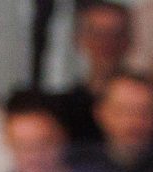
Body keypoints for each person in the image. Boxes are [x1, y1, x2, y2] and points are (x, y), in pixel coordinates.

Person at [50, 0, 139, 146]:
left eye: (115, 34)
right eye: (97, 33)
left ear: (129, 40)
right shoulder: (63, 109)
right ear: (79, 39)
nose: (106, 42)